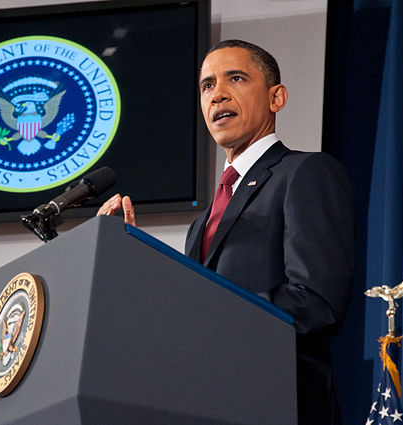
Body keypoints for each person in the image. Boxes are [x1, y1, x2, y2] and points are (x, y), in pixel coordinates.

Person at [98, 40, 354, 425]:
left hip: (282, 405)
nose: (218, 94)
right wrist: (132, 257)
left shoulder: (305, 173)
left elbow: (317, 303)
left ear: (276, 97)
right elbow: (186, 314)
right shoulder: (201, 223)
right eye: (207, 86)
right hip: (209, 406)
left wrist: (215, 316)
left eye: (235, 78)